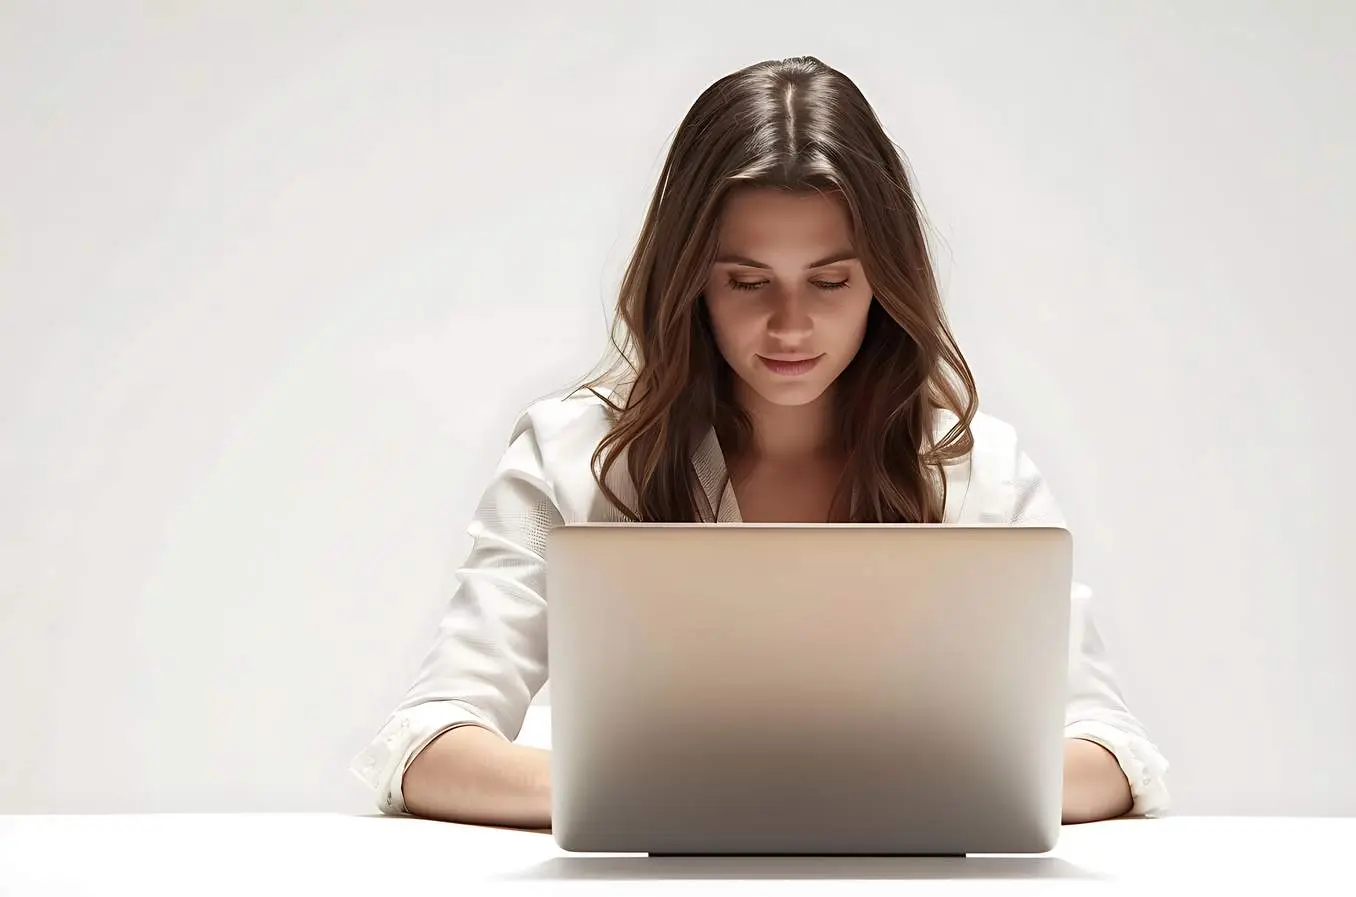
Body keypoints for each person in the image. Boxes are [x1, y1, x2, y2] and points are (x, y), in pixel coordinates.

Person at [350, 55, 1170, 829]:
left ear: (884, 279)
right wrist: (661, 793)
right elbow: (427, 742)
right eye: (747, 281)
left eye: (830, 280)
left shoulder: (974, 469)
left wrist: (870, 795)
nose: (790, 325)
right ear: (689, 278)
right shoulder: (571, 455)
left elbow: (1110, 752)